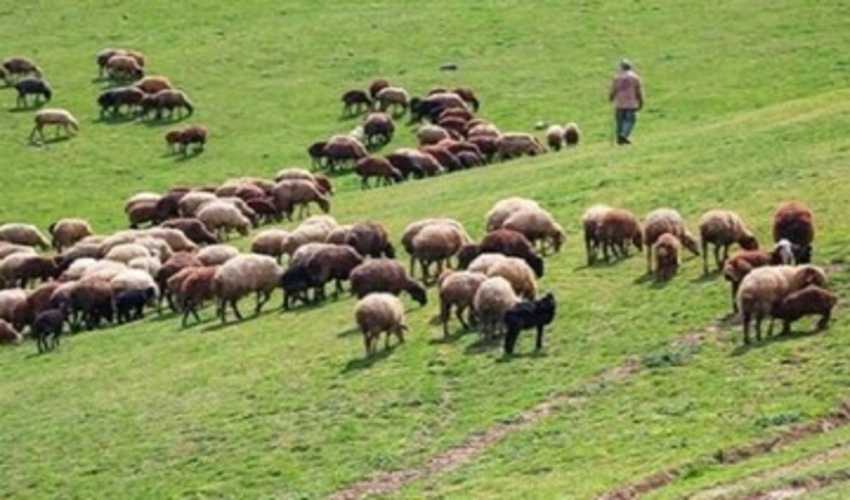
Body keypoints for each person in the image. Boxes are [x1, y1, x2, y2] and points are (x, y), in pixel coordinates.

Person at [609, 59, 644, 145]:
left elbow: (613, 90)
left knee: (619, 122)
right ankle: (624, 135)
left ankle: (619, 139)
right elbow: (638, 91)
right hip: (630, 104)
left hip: (619, 104)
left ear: (621, 67)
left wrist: (611, 98)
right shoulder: (635, 78)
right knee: (630, 121)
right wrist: (641, 102)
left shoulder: (617, 78)